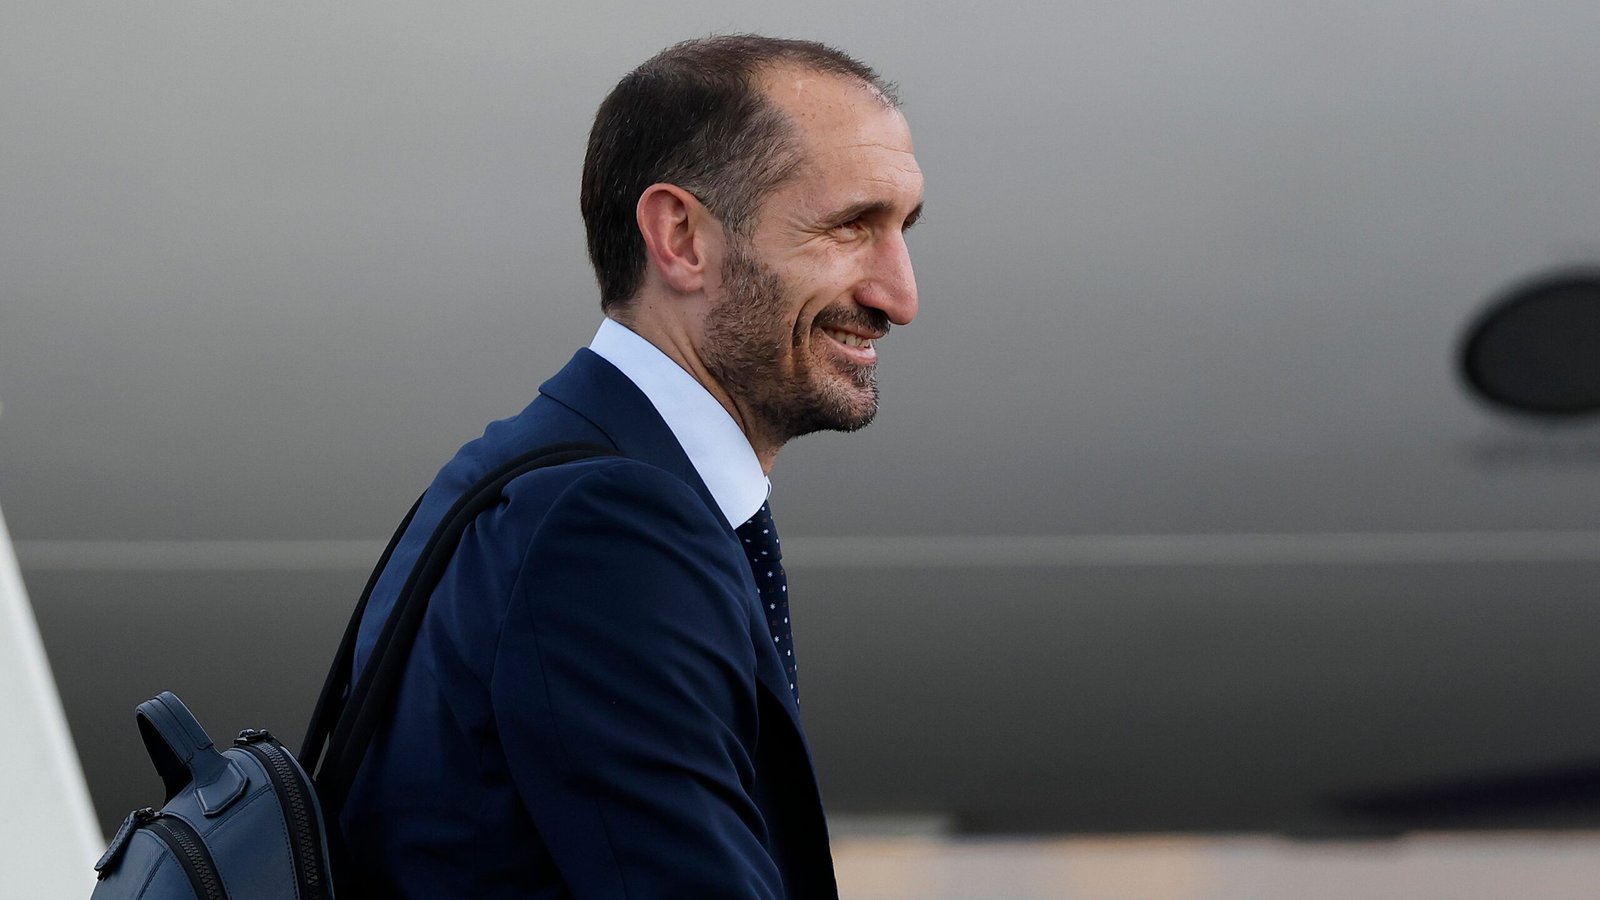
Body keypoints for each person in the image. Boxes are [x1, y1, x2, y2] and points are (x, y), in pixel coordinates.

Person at [338, 34, 923, 898]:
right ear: (680, 236)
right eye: (849, 227)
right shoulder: (603, 526)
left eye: (901, 232)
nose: (899, 297)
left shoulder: (524, 473)